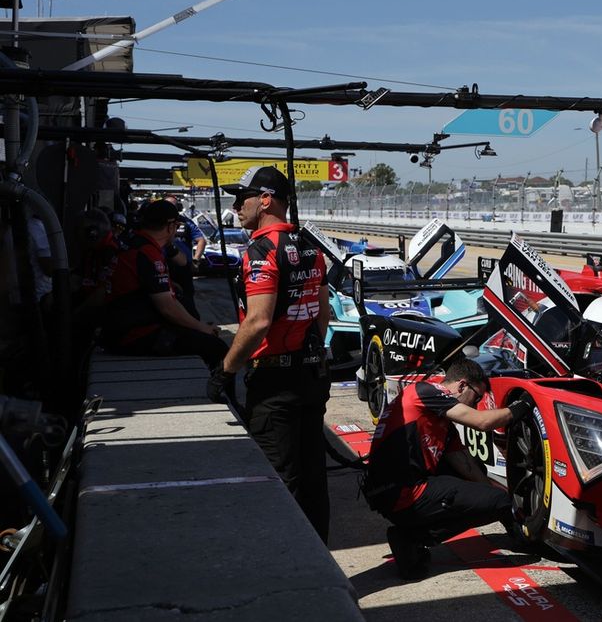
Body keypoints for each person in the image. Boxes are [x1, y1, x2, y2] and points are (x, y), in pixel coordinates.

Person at [207, 166, 332, 541]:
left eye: (241, 197)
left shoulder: (261, 249)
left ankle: (290, 571)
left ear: (265, 200)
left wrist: (225, 371)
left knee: (278, 478)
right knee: (312, 478)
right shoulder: (311, 247)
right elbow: (322, 314)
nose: (234, 206)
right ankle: (319, 566)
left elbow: (258, 322)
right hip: (311, 375)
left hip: (275, 384)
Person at [364, 358, 533, 580]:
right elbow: (482, 422)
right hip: (402, 492)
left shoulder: (438, 417)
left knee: (483, 480)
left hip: (391, 491)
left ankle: (411, 534)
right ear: (462, 385)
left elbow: (467, 468)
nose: (475, 404)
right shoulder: (426, 391)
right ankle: (413, 538)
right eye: (477, 397)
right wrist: (523, 405)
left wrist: (501, 504)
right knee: (497, 500)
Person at [99, 200, 228, 368]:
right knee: (217, 348)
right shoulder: (147, 253)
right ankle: (217, 393)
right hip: (133, 335)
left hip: (117, 329)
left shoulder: (131, 241)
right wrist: (202, 328)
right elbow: (168, 308)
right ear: (170, 227)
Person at [163, 194, 206, 319]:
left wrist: (196, 260)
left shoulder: (186, 222)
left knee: (187, 301)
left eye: (174, 206)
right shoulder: (158, 222)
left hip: (183, 269)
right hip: (162, 267)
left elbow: (201, 240)